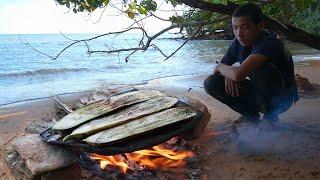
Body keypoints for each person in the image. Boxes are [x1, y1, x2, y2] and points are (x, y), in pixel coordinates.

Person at [203, 3, 299, 128]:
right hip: (258, 92)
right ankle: (250, 115)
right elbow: (219, 70)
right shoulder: (237, 43)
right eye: (235, 28)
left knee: (262, 69)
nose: (239, 34)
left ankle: (270, 118)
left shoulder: (270, 43)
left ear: (260, 26)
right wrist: (227, 72)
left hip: (281, 98)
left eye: (245, 27)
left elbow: (234, 73)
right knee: (211, 82)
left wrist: (225, 69)